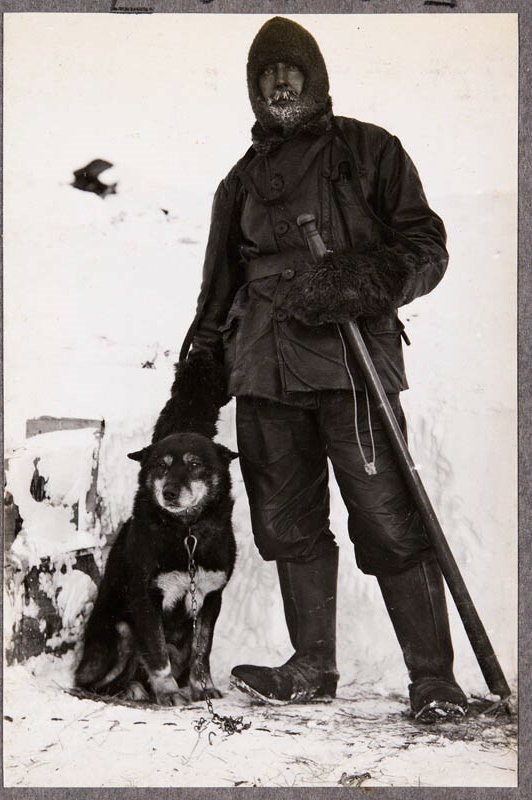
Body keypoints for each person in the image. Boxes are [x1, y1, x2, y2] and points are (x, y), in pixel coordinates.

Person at [160, 16, 468, 722]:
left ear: (316, 77)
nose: (279, 83)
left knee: (388, 518)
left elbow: (424, 245)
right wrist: (194, 393)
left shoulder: (369, 150)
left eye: (291, 70)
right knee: (285, 522)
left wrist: (364, 278)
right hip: (262, 373)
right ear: (250, 87)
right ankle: (310, 667)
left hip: (349, 366)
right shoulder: (237, 184)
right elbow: (215, 295)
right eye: (266, 74)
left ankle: (433, 681)